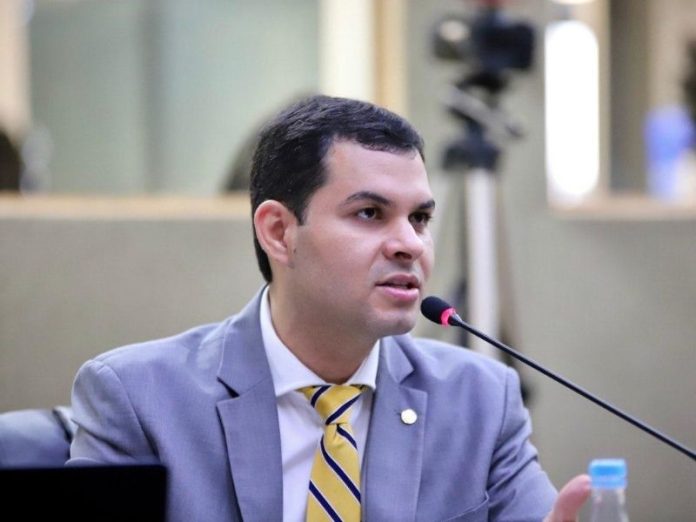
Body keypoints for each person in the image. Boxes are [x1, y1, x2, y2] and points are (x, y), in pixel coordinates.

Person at [68, 95, 589, 521]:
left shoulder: (482, 401)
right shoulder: (139, 400)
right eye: (370, 213)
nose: (410, 244)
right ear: (279, 232)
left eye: (420, 219)